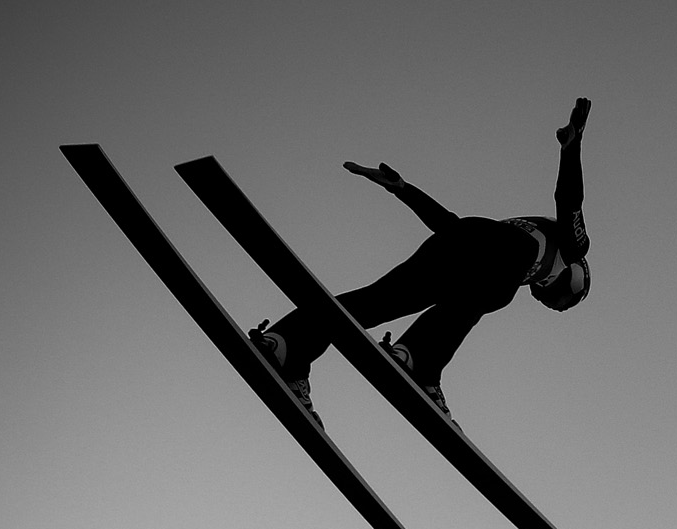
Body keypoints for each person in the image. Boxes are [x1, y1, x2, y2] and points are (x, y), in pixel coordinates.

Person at [250, 97, 594, 428]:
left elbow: (452, 226)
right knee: (492, 295)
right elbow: (569, 199)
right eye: (563, 300)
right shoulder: (573, 246)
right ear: (575, 278)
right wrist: (571, 148)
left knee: (379, 301)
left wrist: (403, 190)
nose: (550, 298)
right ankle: (416, 361)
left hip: (458, 244)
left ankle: (286, 347)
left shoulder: (519, 245)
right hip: (484, 255)